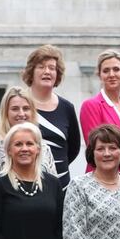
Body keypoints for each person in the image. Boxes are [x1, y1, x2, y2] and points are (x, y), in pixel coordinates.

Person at [20, 44, 81, 188]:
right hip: (24, 183)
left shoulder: (67, 107)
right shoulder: (17, 104)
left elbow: (73, 147)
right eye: (41, 67)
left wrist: (53, 167)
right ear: (31, 72)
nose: (47, 71)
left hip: (60, 185)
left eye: (52, 68)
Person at [79, 50, 120, 173]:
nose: (111, 74)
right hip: (104, 176)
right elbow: (96, 148)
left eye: (116, 69)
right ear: (99, 75)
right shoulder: (91, 106)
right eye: (106, 71)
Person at [0, 87, 57, 181]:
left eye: (26, 108)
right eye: (15, 109)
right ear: (6, 113)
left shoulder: (43, 147)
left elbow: (54, 185)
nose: (21, 114)